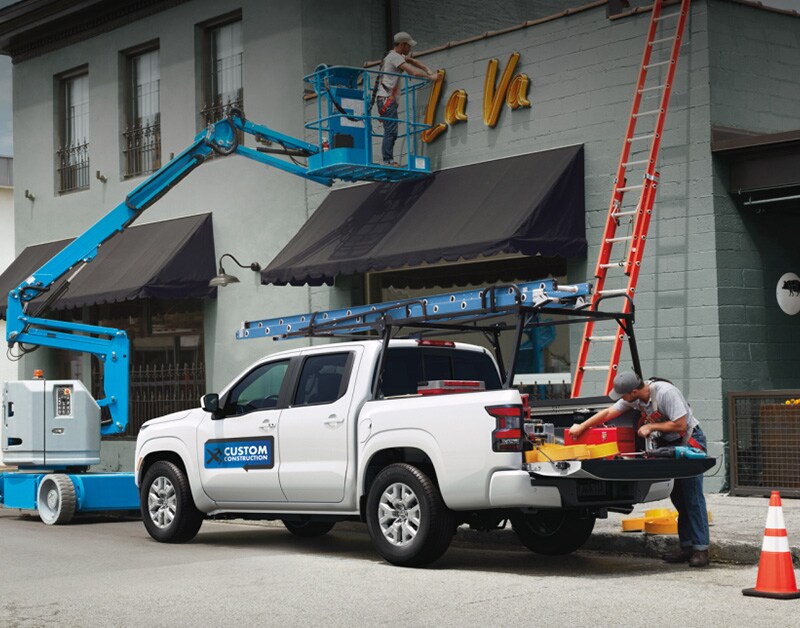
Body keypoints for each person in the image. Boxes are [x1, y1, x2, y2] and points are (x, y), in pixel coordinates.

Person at [569, 371, 711, 568]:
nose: (622, 400)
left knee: (692, 496)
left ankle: (701, 549)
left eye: (623, 395)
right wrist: (582, 426)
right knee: (678, 496)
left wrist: (651, 428)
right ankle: (687, 546)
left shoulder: (666, 393)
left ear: (633, 391)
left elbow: (681, 424)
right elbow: (610, 412)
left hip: (688, 442)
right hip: (669, 445)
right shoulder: (636, 399)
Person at [375, 32, 437, 167]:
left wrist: (427, 68)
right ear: (402, 45)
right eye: (409, 46)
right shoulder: (394, 57)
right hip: (387, 100)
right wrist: (429, 77)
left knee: (391, 130)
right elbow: (412, 71)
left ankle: (388, 159)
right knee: (391, 131)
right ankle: (387, 160)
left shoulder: (395, 56)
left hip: (386, 99)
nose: (410, 49)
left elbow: (412, 61)